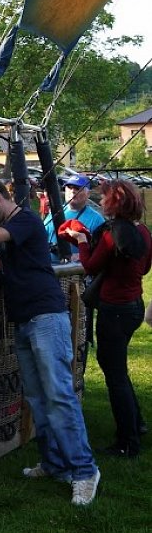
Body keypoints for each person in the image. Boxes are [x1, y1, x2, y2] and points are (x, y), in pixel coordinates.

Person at [0, 177, 100, 506]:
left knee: (59, 395)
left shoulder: (25, 219)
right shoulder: (14, 224)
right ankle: (55, 463)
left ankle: (85, 471)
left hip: (46, 317)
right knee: (37, 398)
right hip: (26, 321)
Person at [64, 180, 152, 457]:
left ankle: (127, 442)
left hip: (114, 309)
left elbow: (90, 266)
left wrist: (81, 242)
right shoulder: (143, 231)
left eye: (103, 198)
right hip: (134, 305)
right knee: (119, 371)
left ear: (114, 202)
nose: (100, 202)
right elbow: (145, 268)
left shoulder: (111, 234)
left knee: (114, 375)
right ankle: (136, 424)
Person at [44, 173, 104, 259]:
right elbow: (42, 236)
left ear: (88, 194)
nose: (72, 191)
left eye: (77, 188)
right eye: (69, 187)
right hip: (49, 264)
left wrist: (80, 256)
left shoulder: (96, 219)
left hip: (75, 266)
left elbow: (102, 251)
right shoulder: (55, 212)